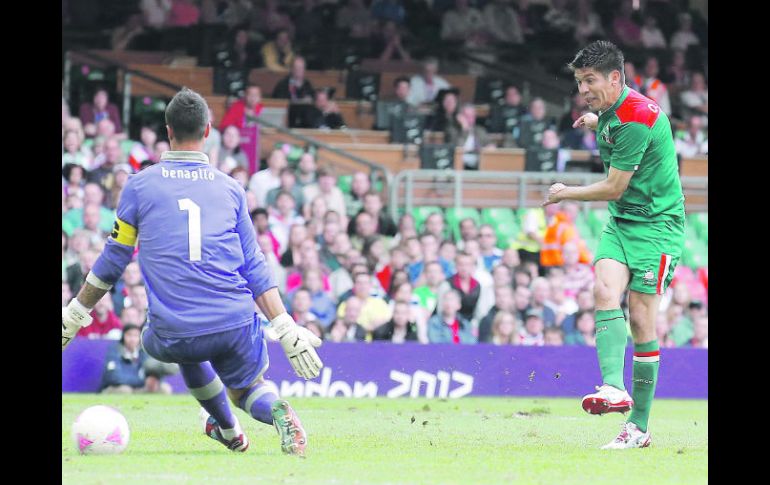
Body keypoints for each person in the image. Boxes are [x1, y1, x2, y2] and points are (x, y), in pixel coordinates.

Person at [62, 88, 324, 456]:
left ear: (168, 131)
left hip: (173, 330)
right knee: (247, 389)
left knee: (186, 345)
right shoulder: (232, 189)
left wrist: (74, 314)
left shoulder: (139, 185)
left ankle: (229, 431)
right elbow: (254, 264)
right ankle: (274, 408)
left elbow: (114, 259)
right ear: (208, 131)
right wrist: (283, 324)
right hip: (234, 321)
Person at [546, 41, 685, 448]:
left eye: (589, 81)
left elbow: (613, 186)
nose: (583, 89)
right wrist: (595, 118)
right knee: (603, 289)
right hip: (623, 222)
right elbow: (613, 118)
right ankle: (612, 388)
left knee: (642, 323)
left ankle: (638, 427)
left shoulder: (638, 118)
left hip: (658, 227)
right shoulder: (613, 110)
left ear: (614, 78)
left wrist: (565, 192)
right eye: (579, 81)